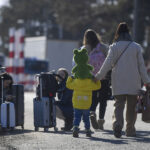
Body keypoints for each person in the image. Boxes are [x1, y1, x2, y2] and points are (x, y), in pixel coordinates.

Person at [95, 22, 150, 138]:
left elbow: (107, 64)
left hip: (118, 81)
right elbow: (141, 66)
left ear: (118, 33)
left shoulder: (114, 47)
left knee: (118, 105)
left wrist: (98, 77)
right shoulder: (136, 47)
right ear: (128, 33)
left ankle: (117, 125)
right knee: (131, 107)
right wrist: (147, 81)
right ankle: (130, 130)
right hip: (133, 82)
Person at [67, 48, 101, 138]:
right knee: (86, 118)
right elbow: (98, 86)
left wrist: (71, 77)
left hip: (77, 103)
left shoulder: (75, 82)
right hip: (86, 104)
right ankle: (88, 130)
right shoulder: (90, 82)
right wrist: (96, 80)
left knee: (77, 117)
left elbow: (68, 85)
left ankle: (75, 128)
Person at [82, 29, 111, 130]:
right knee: (103, 100)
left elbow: (82, 64)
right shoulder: (103, 47)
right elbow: (109, 61)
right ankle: (101, 121)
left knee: (93, 97)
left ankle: (92, 112)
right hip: (104, 77)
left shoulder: (85, 49)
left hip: (91, 78)